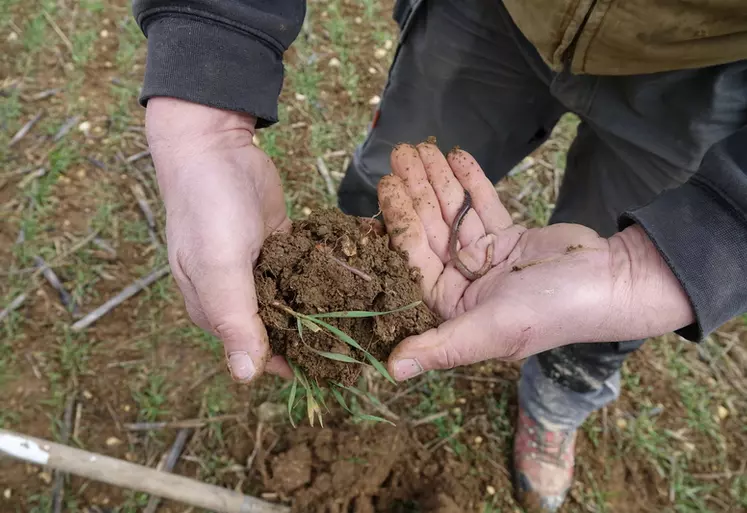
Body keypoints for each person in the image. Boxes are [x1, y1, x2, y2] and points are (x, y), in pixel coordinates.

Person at [132, 0, 747, 511]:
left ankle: (565, 386)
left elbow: (659, 264)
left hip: (706, 62)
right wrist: (204, 109)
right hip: (494, 15)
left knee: (604, 292)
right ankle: (350, 277)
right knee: (394, 196)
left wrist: (709, 239)